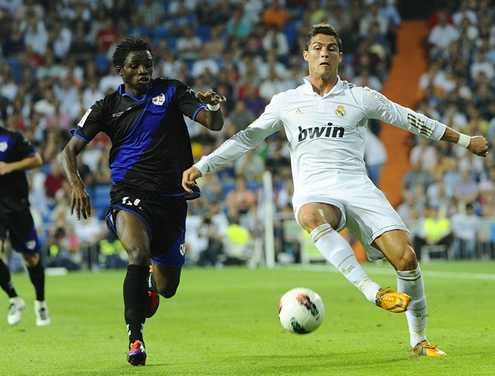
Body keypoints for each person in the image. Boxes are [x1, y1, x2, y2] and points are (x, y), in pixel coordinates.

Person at [183, 23, 489, 357]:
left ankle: (419, 341)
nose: (323, 53)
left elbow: (410, 119)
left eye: (330, 48)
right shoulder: (286, 102)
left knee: (406, 257)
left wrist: (465, 140)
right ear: (305, 55)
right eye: (317, 47)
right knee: (309, 215)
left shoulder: (360, 97)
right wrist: (203, 165)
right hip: (315, 190)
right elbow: (246, 138)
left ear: (340, 56)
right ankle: (372, 291)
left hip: (358, 187)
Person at [59, 37, 225, 366]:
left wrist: (214, 106)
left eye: (147, 64)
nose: (143, 71)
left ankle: (150, 279)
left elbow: (214, 125)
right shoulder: (106, 107)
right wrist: (76, 184)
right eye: (135, 66)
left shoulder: (173, 91)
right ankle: (136, 339)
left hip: (172, 200)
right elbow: (69, 152)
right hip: (128, 193)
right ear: (120, 71)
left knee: (167, 288)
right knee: (137, 253)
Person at [0, 125, 51, 326]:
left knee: (31, 258)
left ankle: (41, 302)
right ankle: (14, 299)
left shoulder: (12, 137)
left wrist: (9, 166)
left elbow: (37, 160)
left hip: (17, 207)